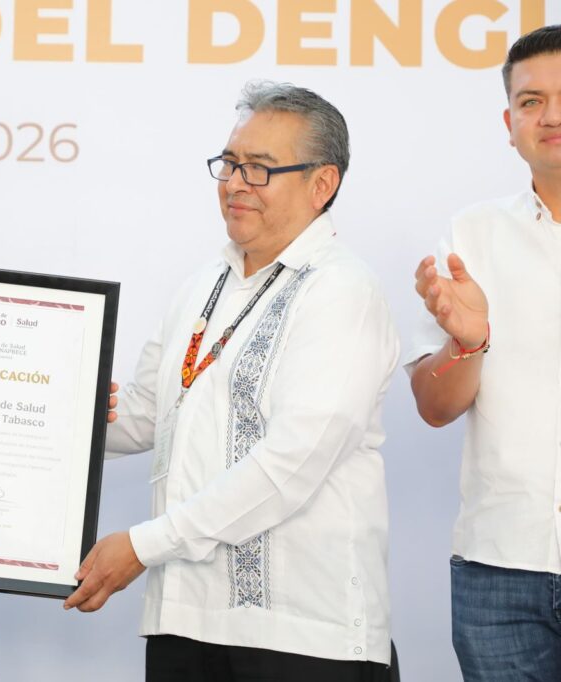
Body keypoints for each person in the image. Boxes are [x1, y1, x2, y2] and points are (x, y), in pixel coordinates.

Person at [64, 82, 397, 682]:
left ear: (322, 184)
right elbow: (149, 415)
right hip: (184, 621)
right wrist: (41, 405)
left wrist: (143, 545)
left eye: (260, 169)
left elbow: (292, 463)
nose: (236, 183)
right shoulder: (204, 284)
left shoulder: (341, 290)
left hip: (301, 636)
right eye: (230, 163)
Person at [407, 24, 561, 681]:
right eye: (531, 101)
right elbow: (434, 406)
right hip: (500, 573)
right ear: (509, 124)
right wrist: (468, 343)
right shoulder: (469, 236)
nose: (550, 116)